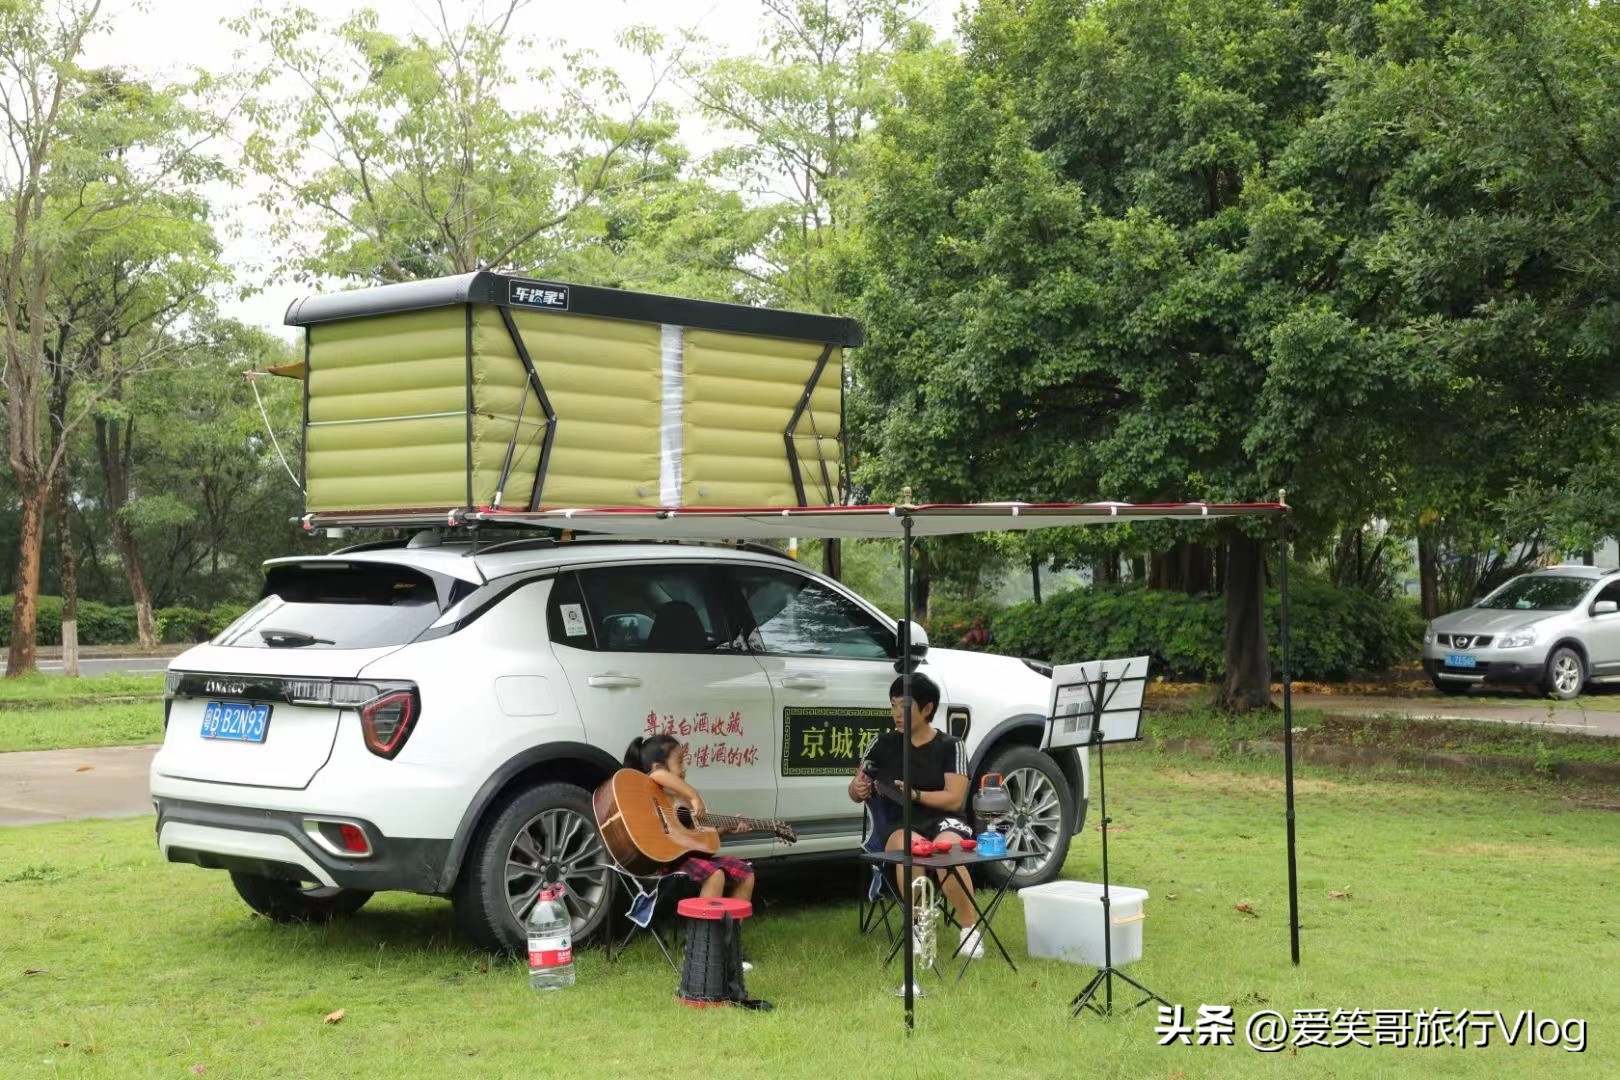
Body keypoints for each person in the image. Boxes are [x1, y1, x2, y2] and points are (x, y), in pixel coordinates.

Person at [847, 672, 983, 960]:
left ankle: (969, 928)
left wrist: (915, 795)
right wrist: (858, 788)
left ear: (927, 708)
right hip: (899, 823)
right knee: (909, 845)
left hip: (944, 819)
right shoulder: (882, 744)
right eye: (893, 705)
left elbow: (955, 797)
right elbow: (855, 788)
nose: (897, 713)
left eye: (904, 706)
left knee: (946, 849)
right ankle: (918, 927)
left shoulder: (951, 745)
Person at [622, 734, 756, 904]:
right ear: (658, 766)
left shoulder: (682, 800)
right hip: (665, 864)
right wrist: (694, 795)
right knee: (715, 874)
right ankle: (705, 930)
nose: (684, 768)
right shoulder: (654, 789)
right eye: (679, 762)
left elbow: (699, 841)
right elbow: (657, 775)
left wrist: (723, 830)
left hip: (689, 860)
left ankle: (731, 929)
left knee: (746, 873)